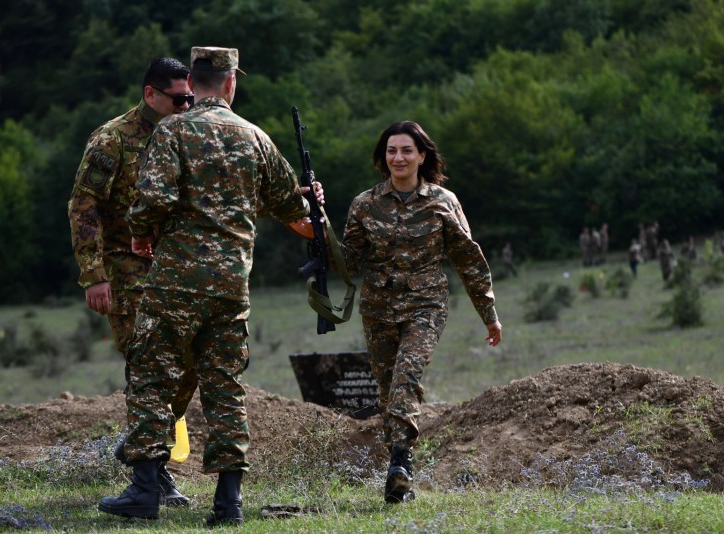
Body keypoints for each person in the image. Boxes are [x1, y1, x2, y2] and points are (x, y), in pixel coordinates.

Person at [98, 46, 323, 525]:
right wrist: (313, 208)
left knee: (152, 380)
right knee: (225, 387)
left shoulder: (172, 130)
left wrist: (140, 236)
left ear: (194, 82)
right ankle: (228, 503)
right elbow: (295, 213)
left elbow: (151, 200)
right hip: (230, 288)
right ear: (230, 83)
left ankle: (143, 492)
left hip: (174, 283)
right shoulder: (256, 137)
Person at [338, 121, 502, 504]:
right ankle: (400, 479)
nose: (398, 157)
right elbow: (347, 261)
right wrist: (315, 225)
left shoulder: (443, 202)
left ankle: (401, 463)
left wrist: (488, 313)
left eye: (407, 150)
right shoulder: (365, 204)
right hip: (377, 308)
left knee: (404, 379)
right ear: (383, 158)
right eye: (391, 151)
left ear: (422, 155)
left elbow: (469, 260)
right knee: (385, 390)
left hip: (425, 305)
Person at [68, 57, 194, 508]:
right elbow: (84, 207)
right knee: (148, 370)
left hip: (178, 273)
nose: (186, 105)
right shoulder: (112, 139)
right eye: (178, 98)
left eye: (190, 98)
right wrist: (94, 275)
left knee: (188, 367)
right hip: (126, 276)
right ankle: (151, 476)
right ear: (150, 94)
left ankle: (140, 446)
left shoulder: (186, 135)